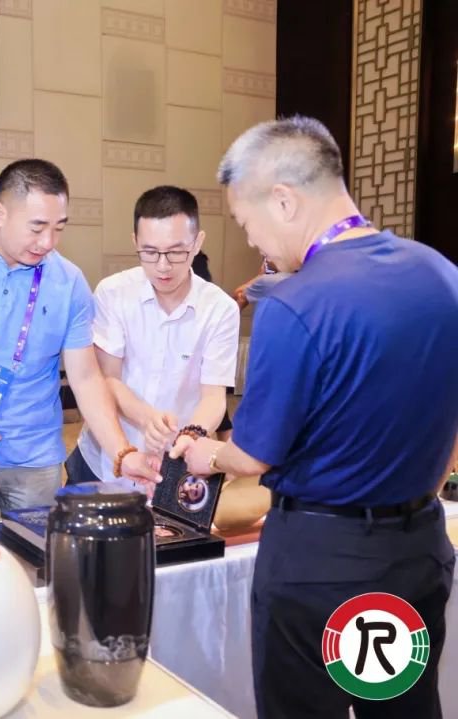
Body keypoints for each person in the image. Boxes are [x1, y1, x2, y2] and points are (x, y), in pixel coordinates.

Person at [175, 116, 458, 718]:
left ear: (284, 200)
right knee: (399, 708)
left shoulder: (296, 303)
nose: (254, 242)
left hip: (319, 564)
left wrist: (207, 453)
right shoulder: (441, 273)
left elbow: (254, 454)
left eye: (248, 223)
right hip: (416, 551)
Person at [0, 158, 161, 518]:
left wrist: (122, 453)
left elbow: (86, 378)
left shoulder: (69, 282)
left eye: (58, 228)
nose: (48, 242)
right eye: (37, 227)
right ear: (0, 213)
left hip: (37, 458)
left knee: (33, 550)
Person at [67, 186, 239, 490]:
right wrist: (147, 418)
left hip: (173, 461)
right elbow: (107, 379)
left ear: (197, 242)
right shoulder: (113, 292)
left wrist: (192, 434)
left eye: (176, 252)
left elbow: (214, 397)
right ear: (135, 241)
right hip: (104, 457)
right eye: (150, 252)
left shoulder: (220, 309)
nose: (162, 265)